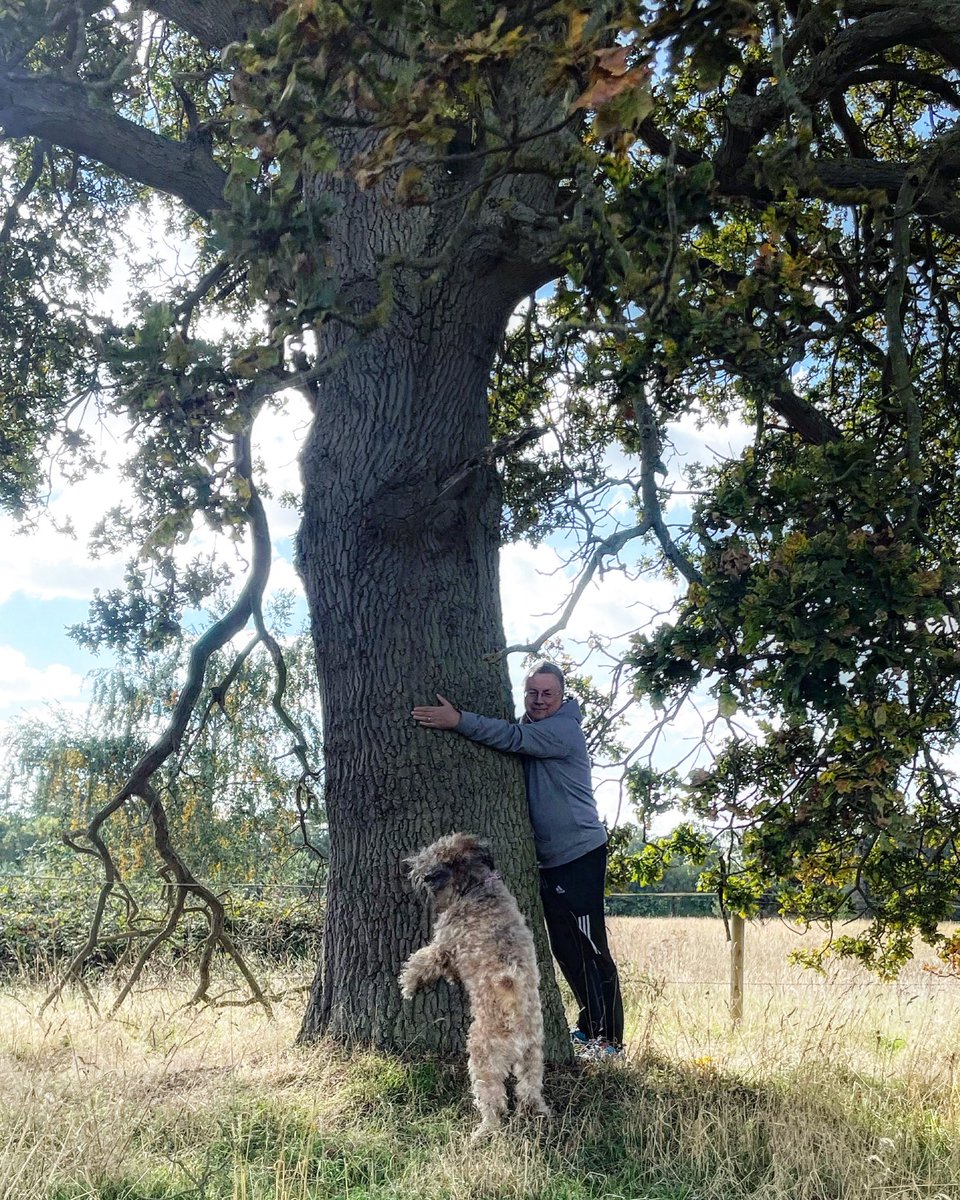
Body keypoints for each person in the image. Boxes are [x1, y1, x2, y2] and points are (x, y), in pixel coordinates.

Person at [411, 661, 624, 1054]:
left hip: (579, 854)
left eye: (548, 693)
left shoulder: (562, 730)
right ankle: (588, 1028)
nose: (539, 700)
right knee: (565, 948)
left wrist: (458, 720)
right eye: (532, 693)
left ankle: (609, 1039)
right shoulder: (535, 726)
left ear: (562, 696)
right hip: (550, 859)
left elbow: (511, 737)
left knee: (589, 945)